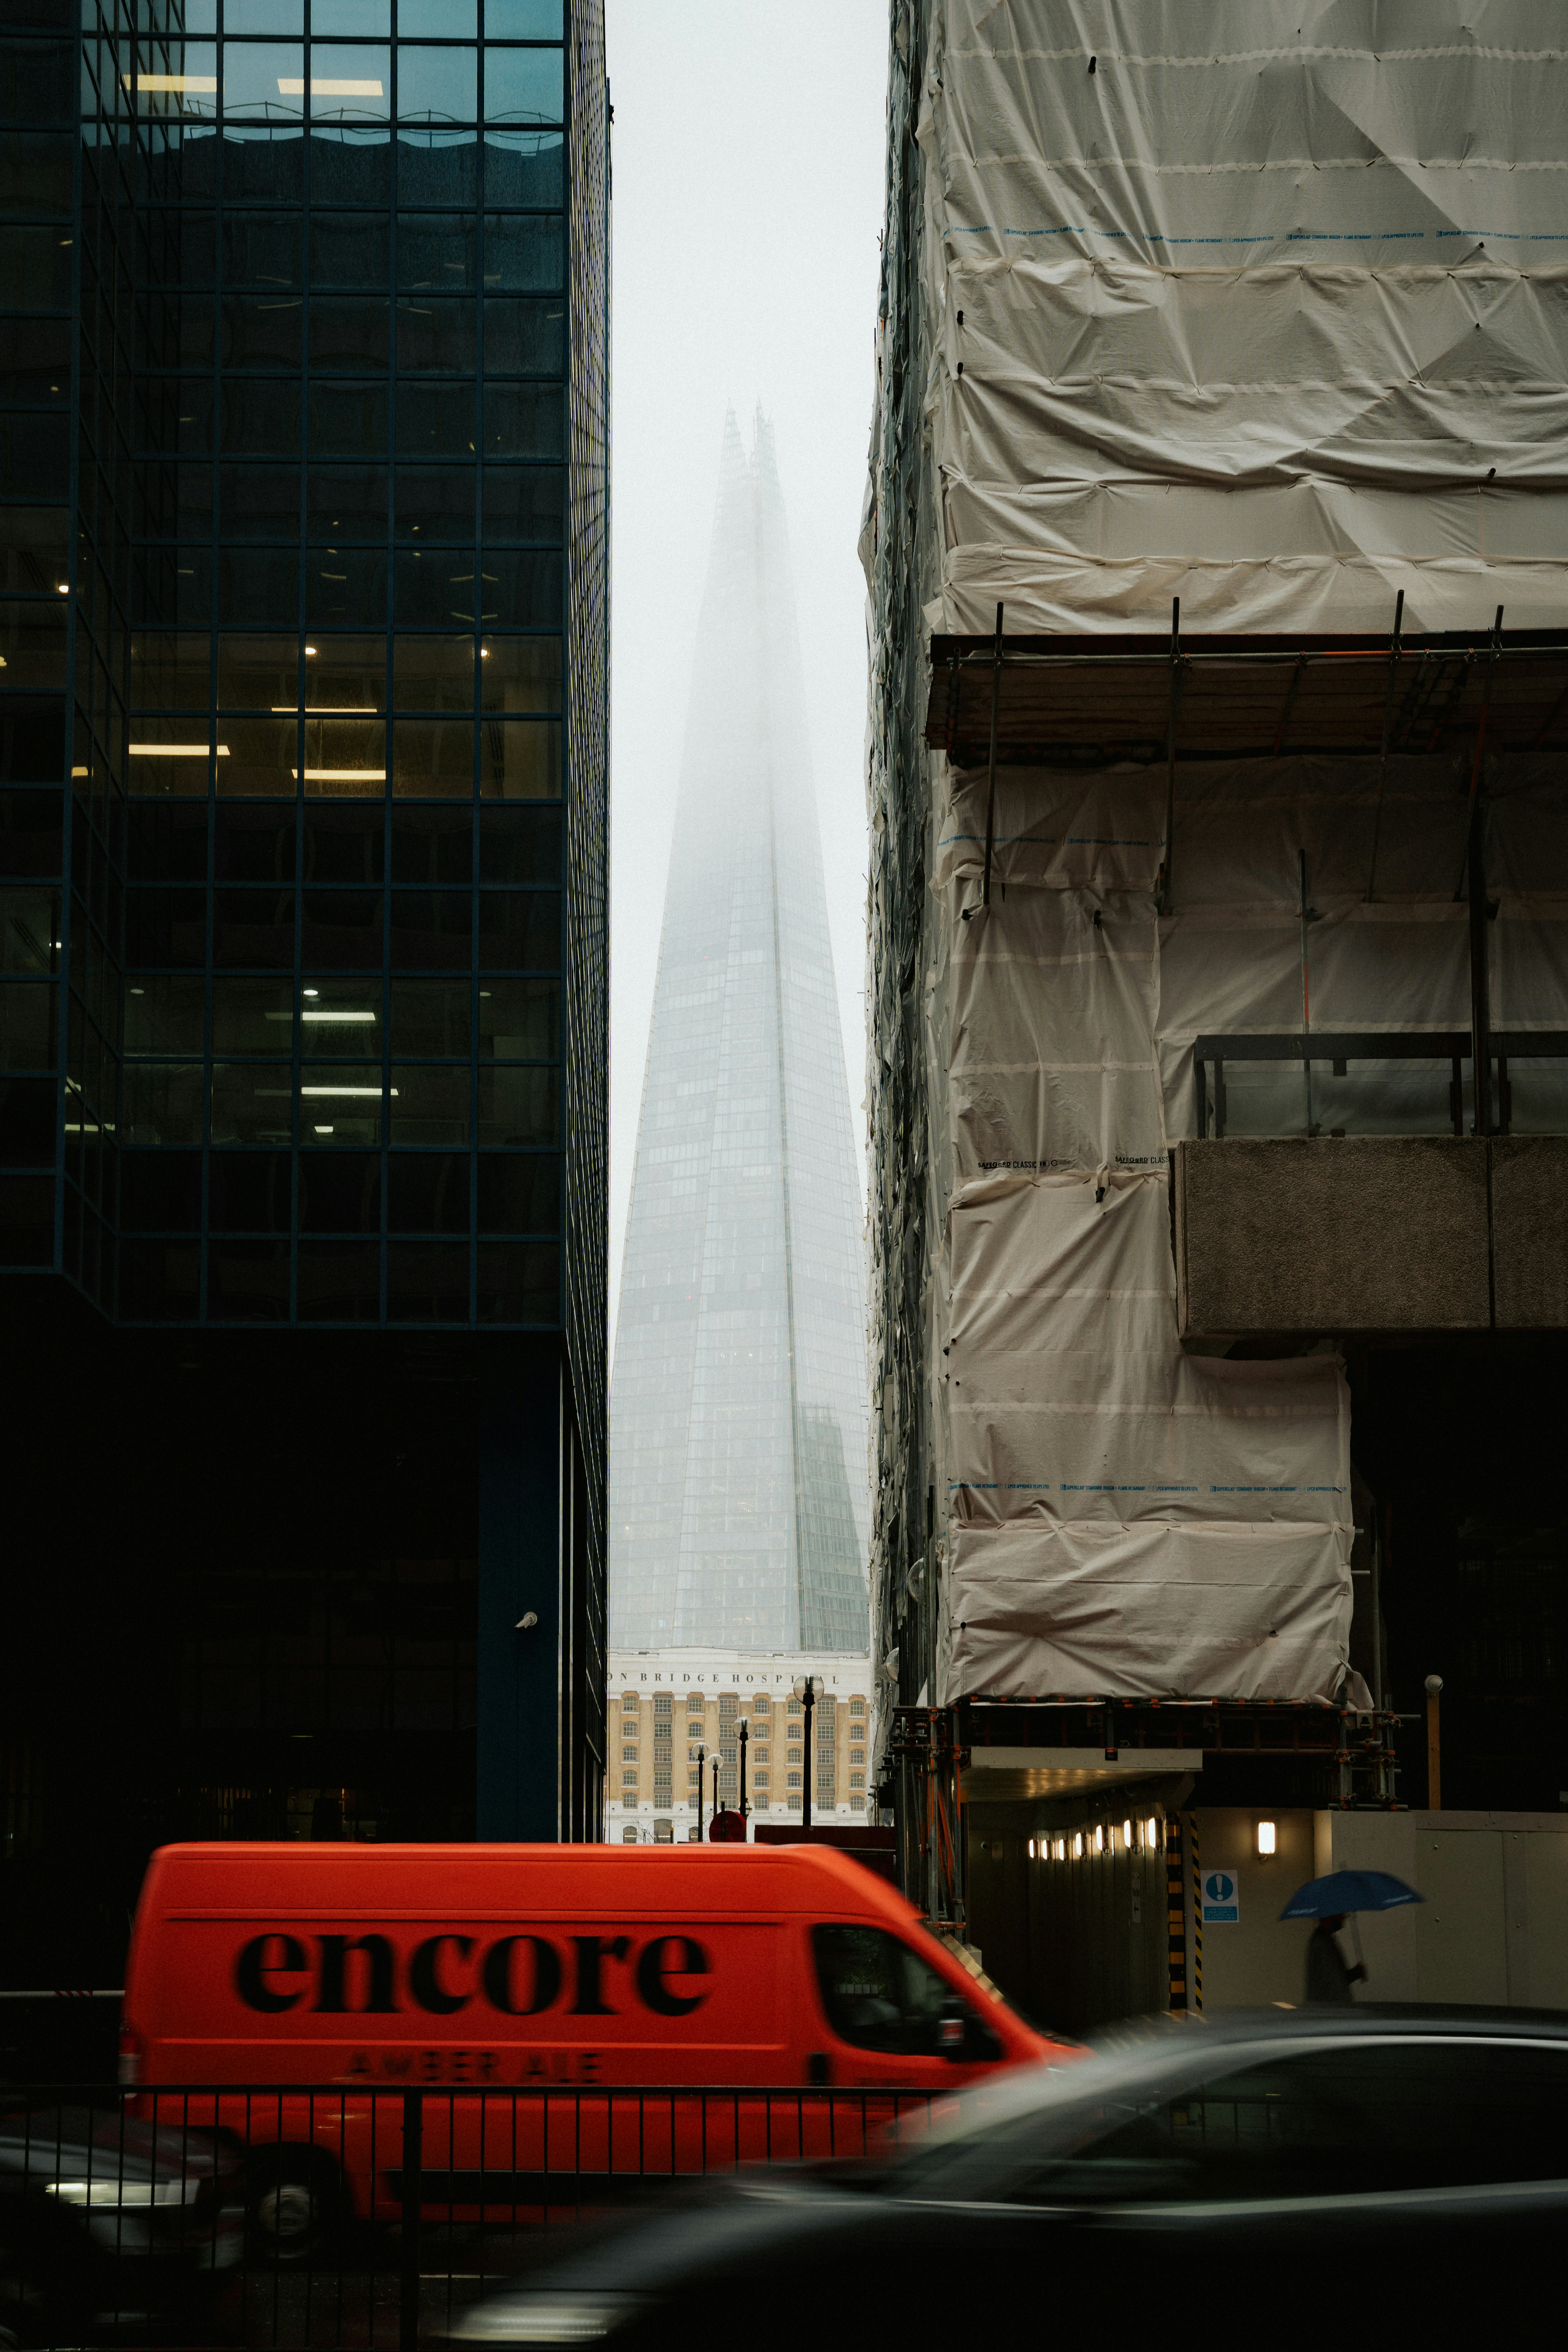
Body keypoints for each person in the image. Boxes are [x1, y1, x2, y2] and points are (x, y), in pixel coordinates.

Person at [1305, 1912, 1367, 2004]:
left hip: (1328, 2008)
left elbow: (1334, 1976)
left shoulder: (1325, 1940)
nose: (1344, 1917)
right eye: (1340, 1914)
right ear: (1330, 1917)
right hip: (1329, 2009)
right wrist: (1356, 1973)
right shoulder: (1322, 1943)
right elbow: (1334, 1980)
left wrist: (1356, 1973)